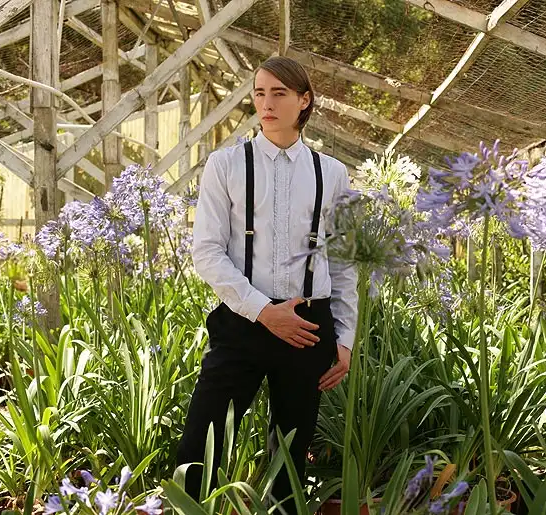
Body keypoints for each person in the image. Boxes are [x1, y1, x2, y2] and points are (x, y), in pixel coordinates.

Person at [176, 56, 358, 512]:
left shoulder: (332, 173)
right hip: (243, 321)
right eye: (260, 93)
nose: (267, 104)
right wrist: (262, 311)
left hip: (307, 327)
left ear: (304, 101)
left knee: (291, 458)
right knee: (200, 443)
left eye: (279, 93)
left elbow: (342, 261)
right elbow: (207, 251)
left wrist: (345, 338)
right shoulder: (225, 164)